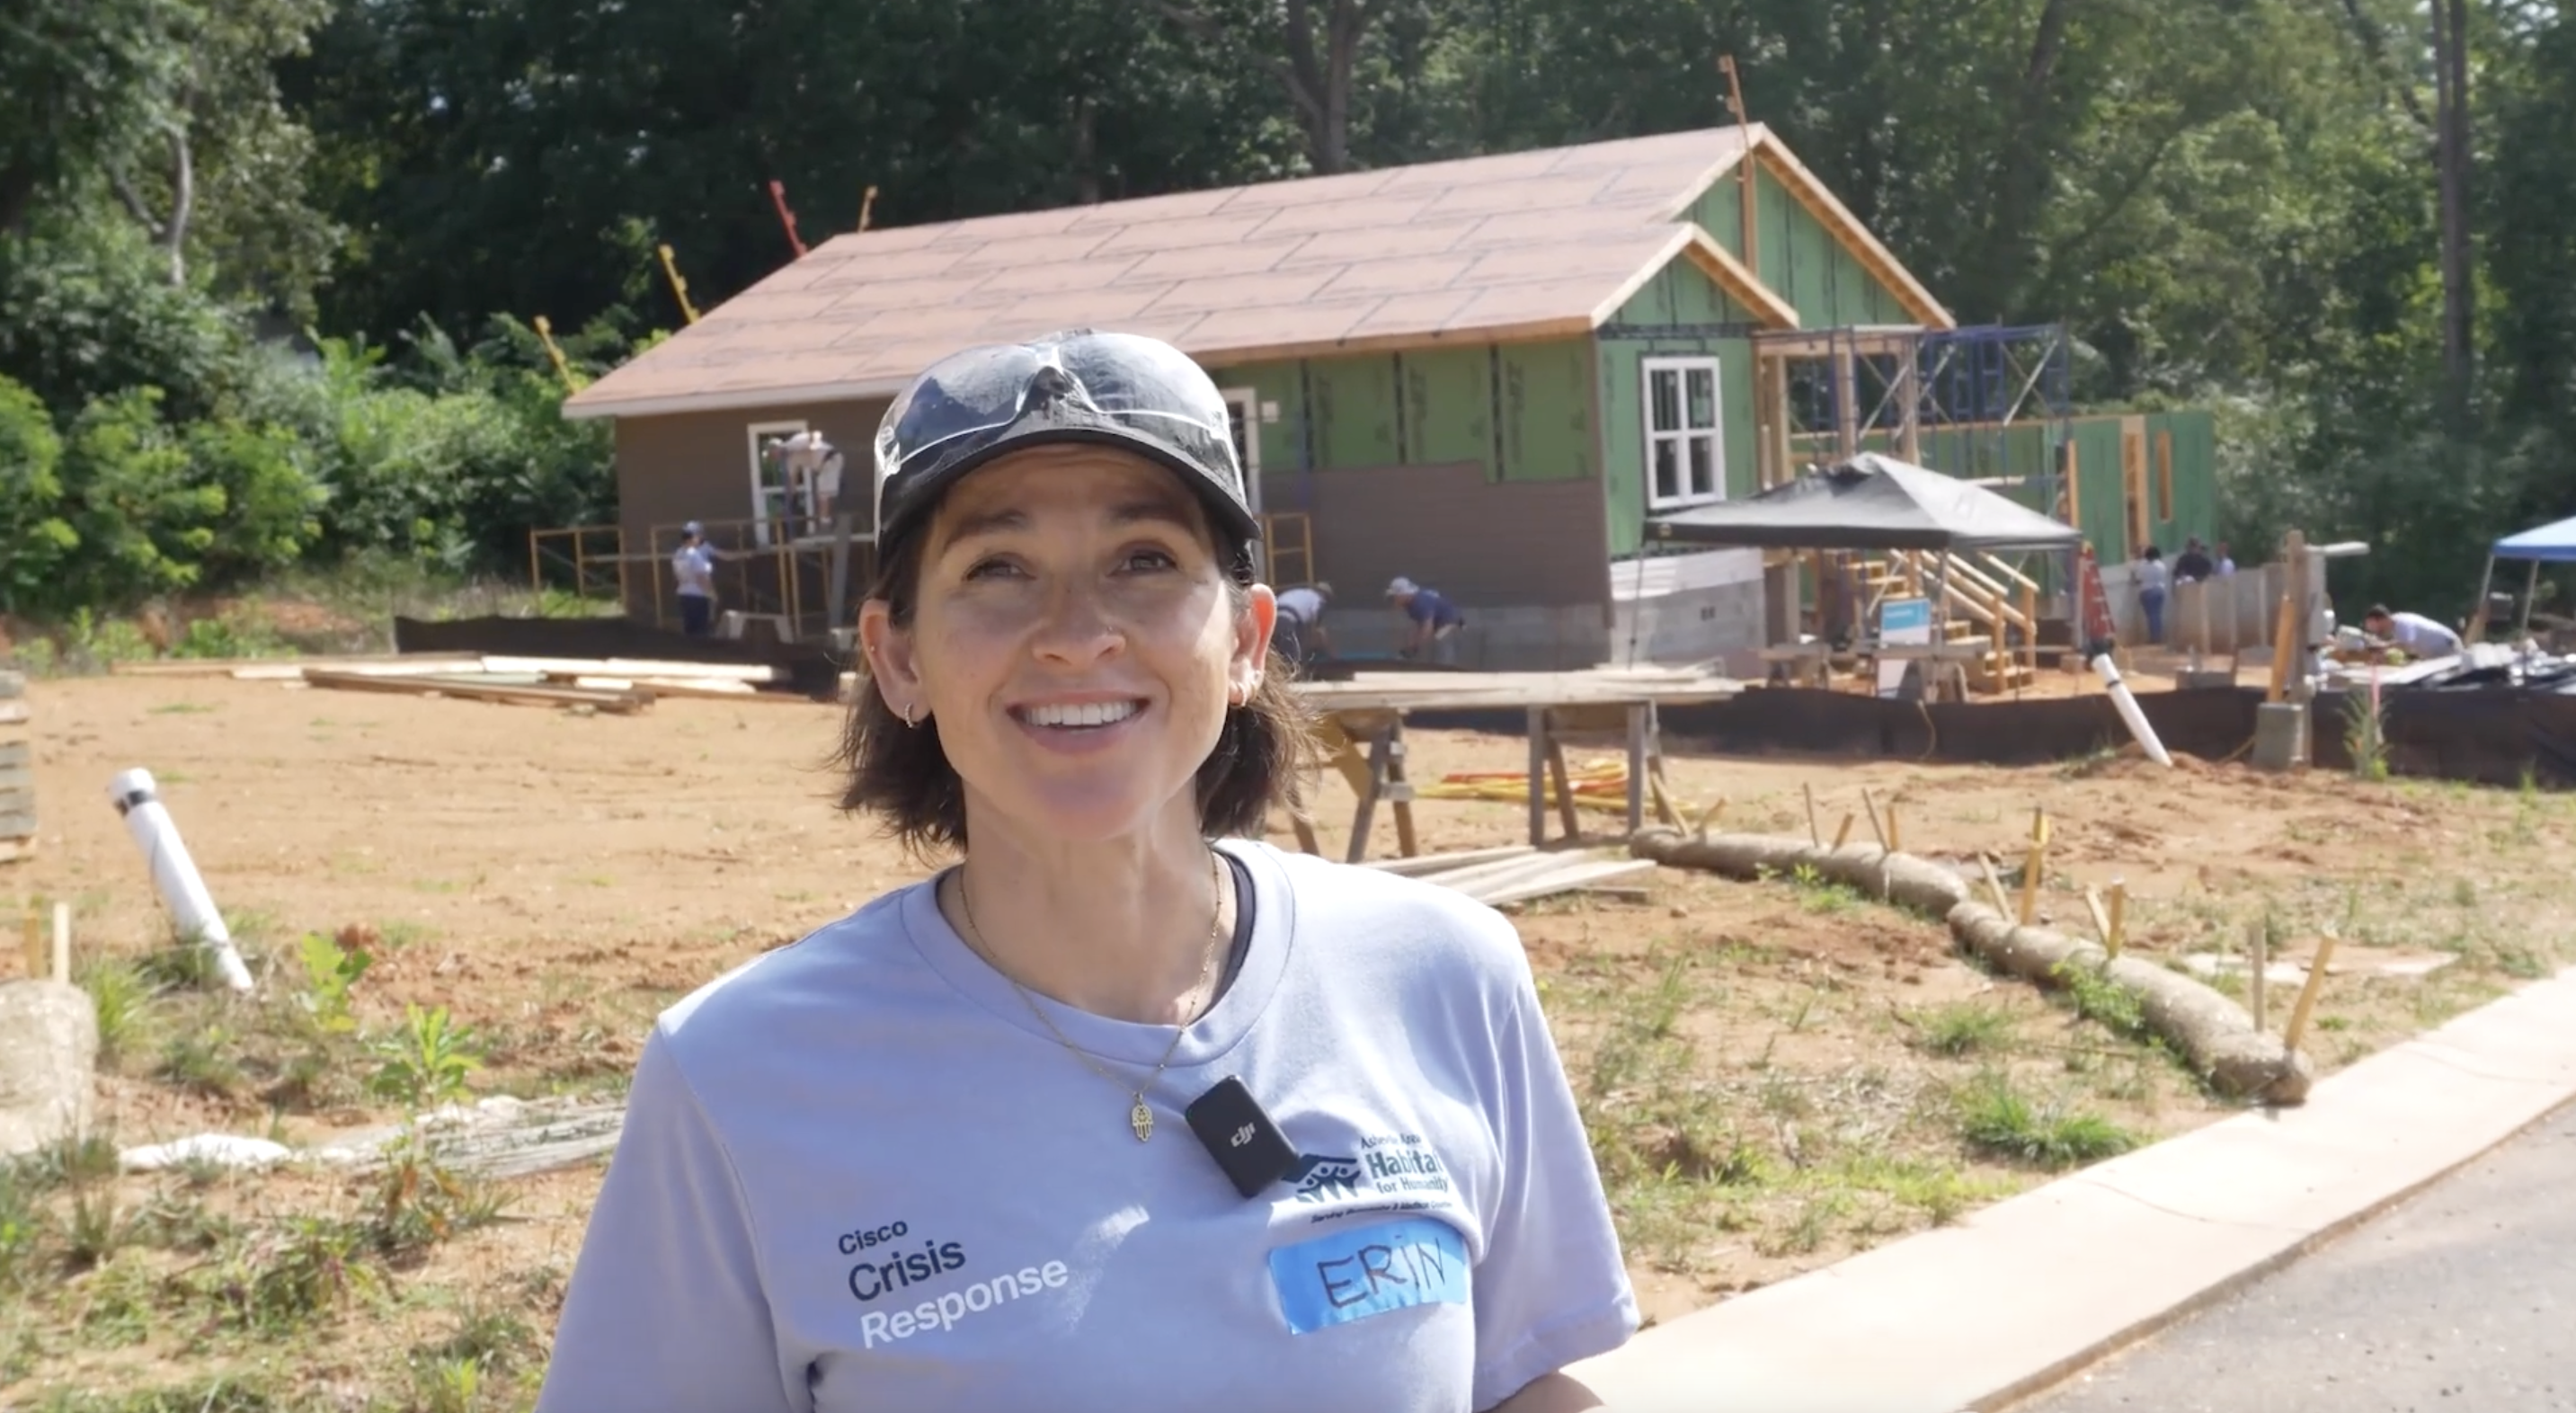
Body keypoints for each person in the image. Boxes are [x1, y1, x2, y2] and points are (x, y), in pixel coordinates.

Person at [536, 330, 1638, 1413]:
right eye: (998, 568)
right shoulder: (738, 1072)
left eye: (1143, 560)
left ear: (1246, 641)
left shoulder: (1444, 974)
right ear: (899, 657)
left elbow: (1524, 1385)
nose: (1075, 634)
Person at [1387, 575, 1468, 665]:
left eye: (1395, 596)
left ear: (1404, 594)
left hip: (1452, 623)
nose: (1394, 600)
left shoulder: (1420, 603)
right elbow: (1419, 626)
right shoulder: (1412, 604)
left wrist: (1415, 648)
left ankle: (1447, 670)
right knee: (1433, 642)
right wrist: (1411, 646)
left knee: (1441, 641)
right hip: (1443, 623)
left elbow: (1427, 628)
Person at [2361, 603, 2465, 660]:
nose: (2373, 629)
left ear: (2382, 620)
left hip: (2448, 647)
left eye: (2372, 625)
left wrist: (2385, 646)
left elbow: (2408, 643)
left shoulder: (2403, 623)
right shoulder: (2396, 627)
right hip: (2437, 654)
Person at [671, 521, 721, 635]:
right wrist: (712, 594)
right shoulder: (694, 554)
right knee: (701, 630)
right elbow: (701, 577)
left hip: (683, 594)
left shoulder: (678, 553)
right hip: (698, 595)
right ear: (693, 537)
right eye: (698, 536)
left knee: (689, 629)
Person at [1272, 580, 1333, 666]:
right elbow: (1314, 627)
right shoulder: (1318, 599)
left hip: (1273, 617)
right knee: (1293, 653)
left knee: (1277, 649)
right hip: (1291, 618)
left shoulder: (1298, 593)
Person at [2133, 545, 2170, 645]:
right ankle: (2158, 636)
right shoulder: (2161, 565)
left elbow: (2138, 580)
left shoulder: (2142, 566)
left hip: (2146, 591)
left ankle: (2154, 637)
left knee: (2150, 616)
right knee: (2157, 614)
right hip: (2159, 590)